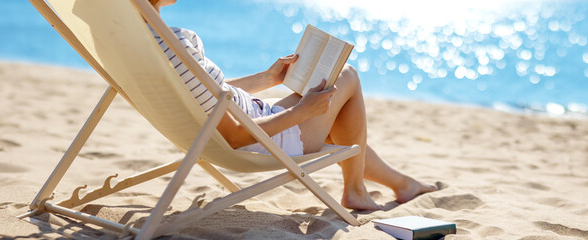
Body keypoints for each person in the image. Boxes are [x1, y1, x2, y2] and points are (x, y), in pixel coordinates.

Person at [148, 0, 436, 210]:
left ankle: (401, 184)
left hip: (254, 117)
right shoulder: (175, 45)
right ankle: (356, 190)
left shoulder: (151, 43)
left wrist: (267, 78)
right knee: (347, 76)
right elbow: (234, 136)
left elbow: (213, 95)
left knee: (330, 98)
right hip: (263, 137)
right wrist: (302, 112)